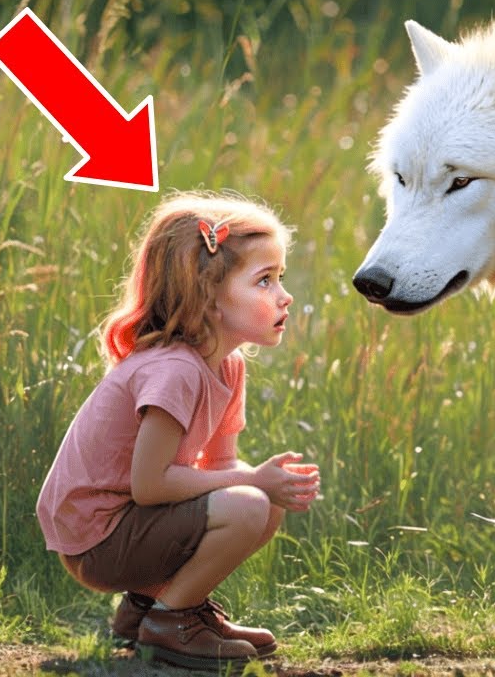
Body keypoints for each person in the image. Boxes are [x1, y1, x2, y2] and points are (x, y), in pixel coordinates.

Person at [36, 190, 320, 669]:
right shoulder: (175, 371)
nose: (284, 295)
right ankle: (172, 622)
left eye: (281, 278)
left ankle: (150, 608)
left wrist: (264, 483)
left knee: (264, 502)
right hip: (96, 540)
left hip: (133, 525)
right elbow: (150, 486)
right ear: (209, 297)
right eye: (264, 280)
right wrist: (253, 480)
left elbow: (220, 465)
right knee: (251, 500)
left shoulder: (228, 366)